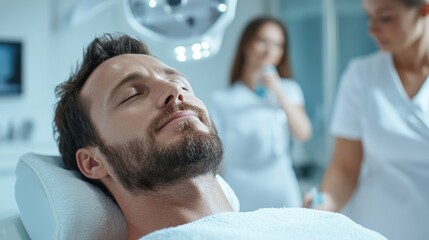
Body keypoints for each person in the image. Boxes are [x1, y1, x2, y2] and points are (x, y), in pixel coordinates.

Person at [53, 33, 386, 240]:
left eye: (182, 83)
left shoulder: (319, 227)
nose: (174, 91)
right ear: (93, 161)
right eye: (132, 94)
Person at [303, 0, 429, 239]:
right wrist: (323, 204)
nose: (372, 29)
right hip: (372, 230)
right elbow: (345, 168)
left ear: (424, 10)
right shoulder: (361, 75)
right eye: (368, 18)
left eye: (385, 18)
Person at [210, 16, 312, 211]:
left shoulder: (289, 90)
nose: (269, 50)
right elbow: (217, 159)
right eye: (262, 41)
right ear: (247, 45)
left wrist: (279, 93)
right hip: (241, 190)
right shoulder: (223, 100)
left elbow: (303, 133)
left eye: (278, 45)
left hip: (283, 189)